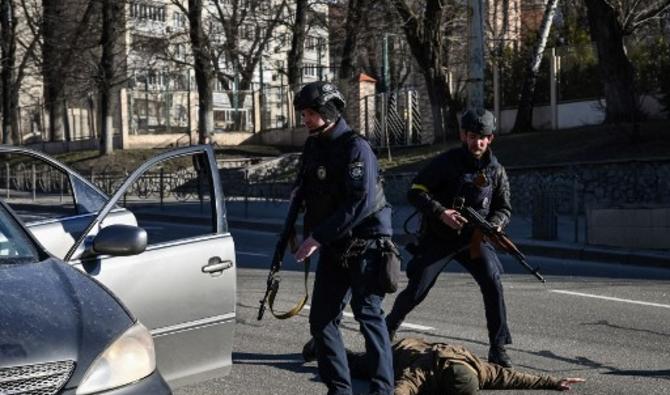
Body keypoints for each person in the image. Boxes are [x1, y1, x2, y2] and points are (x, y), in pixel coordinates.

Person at [385, 108, 515, 368]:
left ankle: (498, 348)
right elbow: (415, 191)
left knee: (492, 281)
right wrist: (441, 212)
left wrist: (496, 224)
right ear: (463, 135)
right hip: (440, 237)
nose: (477, 142)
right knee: (418, 288)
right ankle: (386, 331)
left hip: (475, 241)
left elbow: (504, 208)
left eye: (483, 137)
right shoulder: (446, 162)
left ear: (491, 139)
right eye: (472, 136)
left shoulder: (496, 170)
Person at [292, 81, 395, 395]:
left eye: (310, 113)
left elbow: (358, 203)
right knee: (321, 320)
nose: (305, 119)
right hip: (335, 246)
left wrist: (317, 238)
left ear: (328, 112)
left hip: (368, 245)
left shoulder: (355, 147)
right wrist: (300, 228)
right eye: (304, 113)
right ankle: (339, 389)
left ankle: (382, 390)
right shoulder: (314, 145)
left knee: (368, 317)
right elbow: (308, 191)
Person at [346, 337, 586, 394]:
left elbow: (513, 377)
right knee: (357, 365)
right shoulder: (423, 370)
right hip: (402, 351)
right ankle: (321, 347)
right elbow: (402, 387)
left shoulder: (479, 370)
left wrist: (555, 382)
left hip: (431, 348)